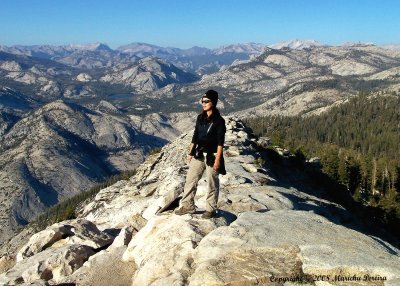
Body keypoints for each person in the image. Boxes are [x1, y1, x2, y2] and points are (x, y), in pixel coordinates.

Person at [175, 89, 226, 219]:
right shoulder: (200, 118)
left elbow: (221, 143)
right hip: (199, 154)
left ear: (213, 102)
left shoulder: (219, 121)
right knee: (191, 179)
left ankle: (210, 209)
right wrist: (190, 152)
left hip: (212, 155)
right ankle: (187, 206)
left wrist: (217, 160)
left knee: (211, 182)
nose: (203, 103)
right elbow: (195, 136)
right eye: (202, 101)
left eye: (206, 101)